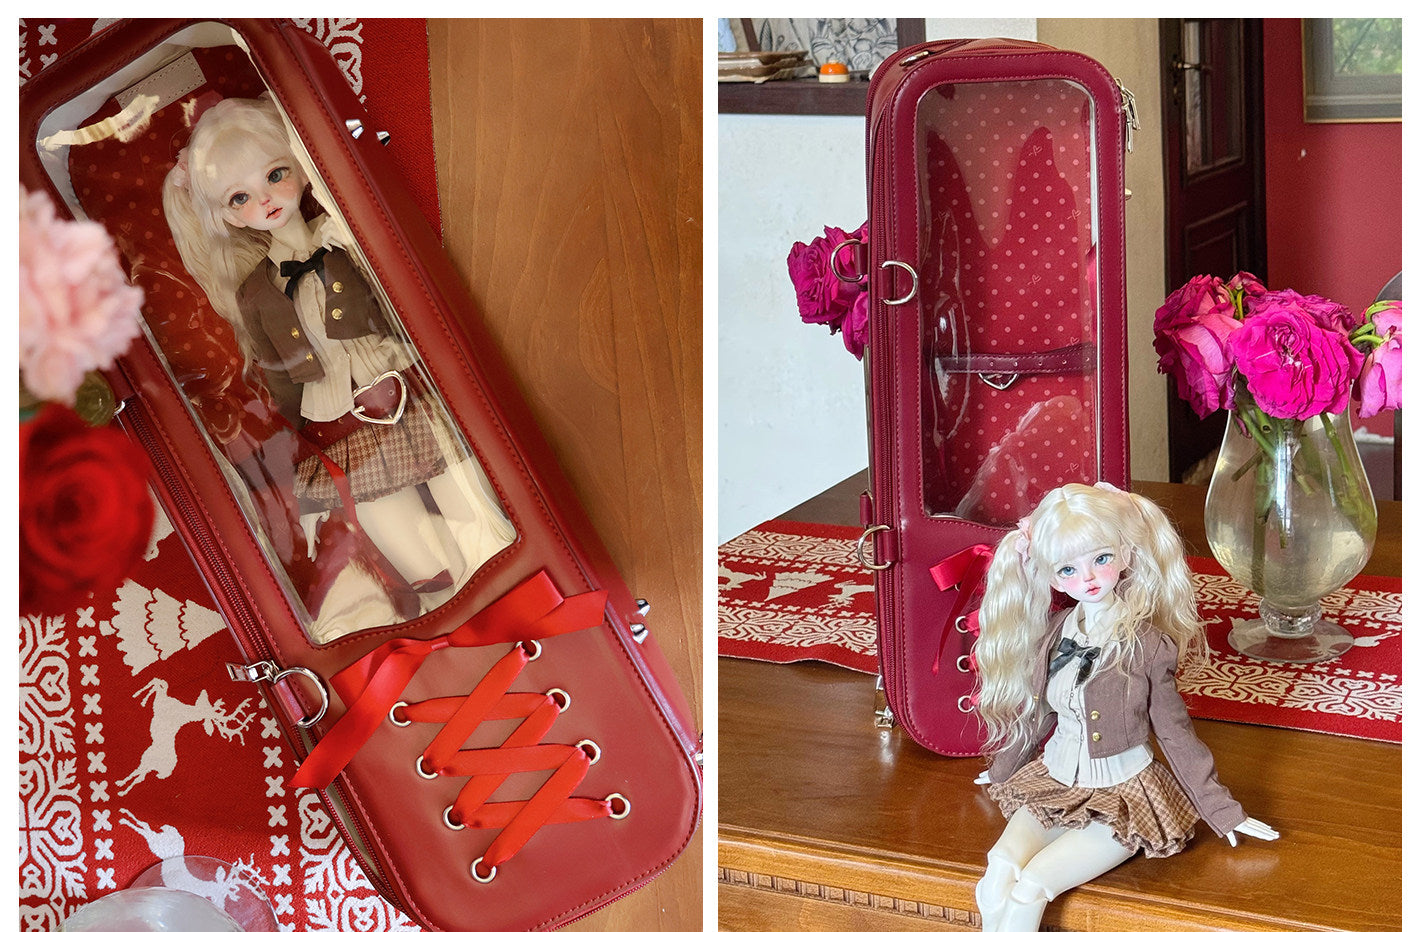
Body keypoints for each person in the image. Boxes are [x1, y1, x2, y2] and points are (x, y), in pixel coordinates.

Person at [162, 95, 515, 642]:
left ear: (301, 166)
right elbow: (280, 376)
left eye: (275, 175)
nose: (265, 200)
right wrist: (292, 437)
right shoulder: (257, 292)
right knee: (404, 542)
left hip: (412, 390)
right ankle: (452, 622)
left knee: (481, 518)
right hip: (339, 421)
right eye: (240, 197)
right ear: (228, 216)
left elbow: (409, 297)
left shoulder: (344, 235)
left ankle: (512, 588)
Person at [971, 482, 1278, 932]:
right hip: (1055, 779)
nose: (1089, 579)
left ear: (1126, 555)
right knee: (999, 868)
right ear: (1053, 578)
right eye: (1069, 570)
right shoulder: (1056, 633)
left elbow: (1175, 733)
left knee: (1031, 887)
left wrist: (1223, 811)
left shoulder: (1148, 646)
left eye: (1101, 559)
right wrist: (1003, 768)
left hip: (1122, 794)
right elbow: (1038, 715)